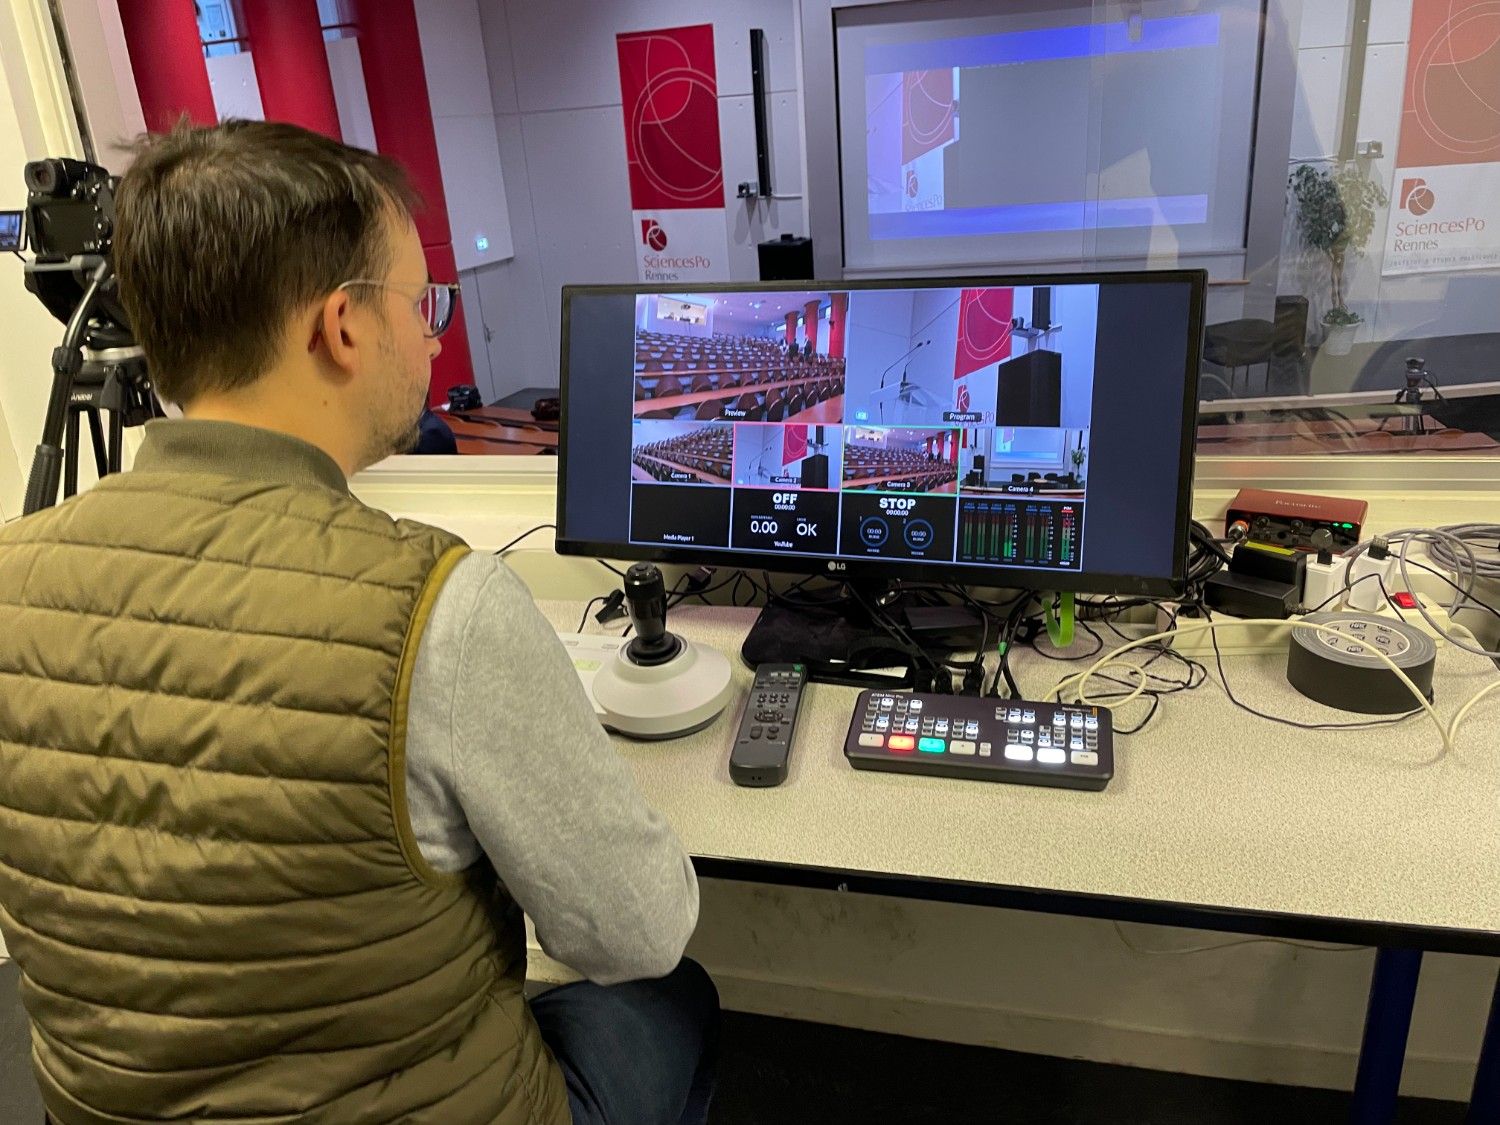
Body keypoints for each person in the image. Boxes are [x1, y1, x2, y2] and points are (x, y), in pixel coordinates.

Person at [0, 121, 717, 1125]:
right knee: (668, 993)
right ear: (340, 326)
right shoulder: (437, 605)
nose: (433, 337)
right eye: (422, 307)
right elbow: (636, 931)